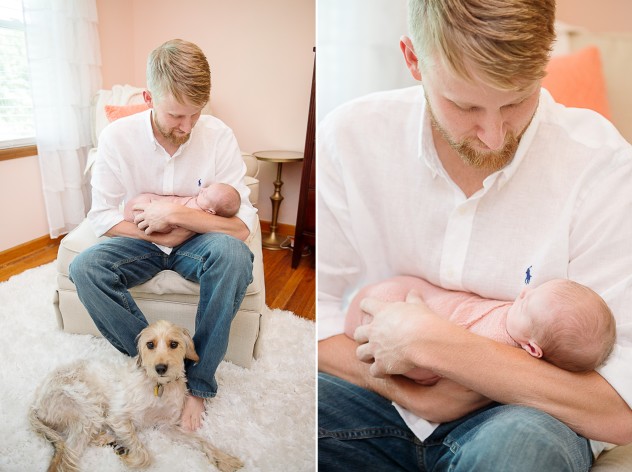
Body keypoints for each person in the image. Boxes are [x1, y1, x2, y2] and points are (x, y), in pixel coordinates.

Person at [318, 1, 632, 470]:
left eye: (515, 101)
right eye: (464, 105)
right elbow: (317, 318)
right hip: (366, 395)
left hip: (520, 419)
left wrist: (443, 349)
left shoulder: (603, 169)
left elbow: (619, 407)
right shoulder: (350, 138)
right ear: (413, 60)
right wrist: (409, 391)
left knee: (525, 451)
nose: (493, 136)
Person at [69, 39, 257, 432]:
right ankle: (154, 364)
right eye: (176, 115)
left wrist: (176, 216)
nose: (186, 127)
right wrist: (154, 233)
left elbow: (240, 226)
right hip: (138, 242)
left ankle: (198, 383)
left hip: (197, 243)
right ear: (148, 96)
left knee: (234, 256)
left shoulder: (218, 136)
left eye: (195, 114)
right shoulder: (117, 138)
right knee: (85, 267)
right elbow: (102, 216)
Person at [345, 276, 616, 384]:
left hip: (393, 311)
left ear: (532, 348)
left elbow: (435, 358)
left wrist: (417, 371)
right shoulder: (520, 323)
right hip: (412, 295)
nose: (522, 292)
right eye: (531, 291)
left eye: (525, 303)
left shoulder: (495, 342)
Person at [123, 182, 241, 226]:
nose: (202, 189)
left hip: (148, 205)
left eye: (205, 194)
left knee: (140, 216)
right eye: (207, 188)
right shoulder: (199, 202)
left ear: (210, 211)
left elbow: (175, 219)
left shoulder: (196, 211)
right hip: (146, 201)